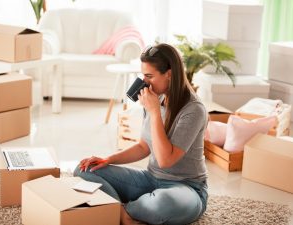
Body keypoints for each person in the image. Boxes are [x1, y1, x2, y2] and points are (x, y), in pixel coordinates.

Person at [74, 43, 208, 225]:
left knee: (165, 203)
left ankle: (122, 208)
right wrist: (108, 160)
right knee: (85, 170)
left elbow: (165, 160)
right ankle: (122, 211)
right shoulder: (156, 97)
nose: (144, 82)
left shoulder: (194, 110)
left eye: (149, 76)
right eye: (143, 75)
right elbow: (143, 147)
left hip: (186, 188)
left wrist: (154, 113)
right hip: (150, 179)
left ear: (169, 74)